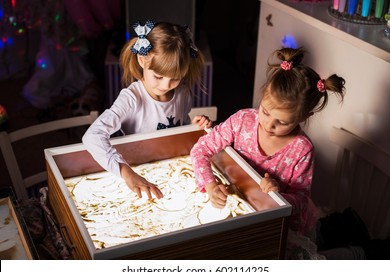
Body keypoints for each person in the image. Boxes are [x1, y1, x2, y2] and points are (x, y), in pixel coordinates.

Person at [190, 47, 346, 238]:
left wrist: (278, 193)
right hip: (250, 210)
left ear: (304, 116)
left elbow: (301, 199)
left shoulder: (302, 149)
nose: (269, 124)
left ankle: (351, 249)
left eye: (282, 122)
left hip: (287, 228)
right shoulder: (242, 120)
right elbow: (201, 150)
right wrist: (211, 186)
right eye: (264, 111)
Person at [83, 20, 212, 200]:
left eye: (175, 78)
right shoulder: (131, 98)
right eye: (158, 76)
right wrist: (126, 172)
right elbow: (92, 136)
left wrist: (191, 126)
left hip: (171, 169)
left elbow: (177, 126)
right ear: (142, 60)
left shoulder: (182, 92)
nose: (166, 85)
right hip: (137, 173)